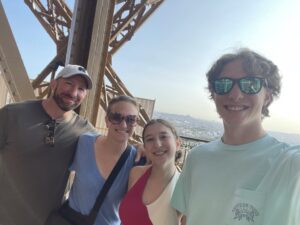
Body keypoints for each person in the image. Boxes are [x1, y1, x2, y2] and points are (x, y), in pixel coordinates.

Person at [171, 48, 300, 225]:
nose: (235, 95)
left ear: (267, 97)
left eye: (250, 84)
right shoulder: (197, 157)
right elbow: (186, 218)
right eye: (224, 84)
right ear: (214, 94)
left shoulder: (289, 163)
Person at [0, 64, 96, 225]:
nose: (73, 93)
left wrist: (140, 149)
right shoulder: (12, 114)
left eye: (81, 89)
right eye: (69, 83)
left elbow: (113, 151)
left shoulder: (85, 131)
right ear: (54, 84)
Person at [56, 95, 141, 225]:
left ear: (136, 123)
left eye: (131, 119)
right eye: (116, 117)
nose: (124, 125)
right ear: (107, 120)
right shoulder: (84, 143)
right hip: (71, 220)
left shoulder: (137, 160)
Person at [119, 119, 183, 225]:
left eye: (163, 137)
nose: (157, 144)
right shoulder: (136, 173)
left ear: (177, 143)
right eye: (150, 139)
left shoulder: (185, 186)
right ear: (145, 147)